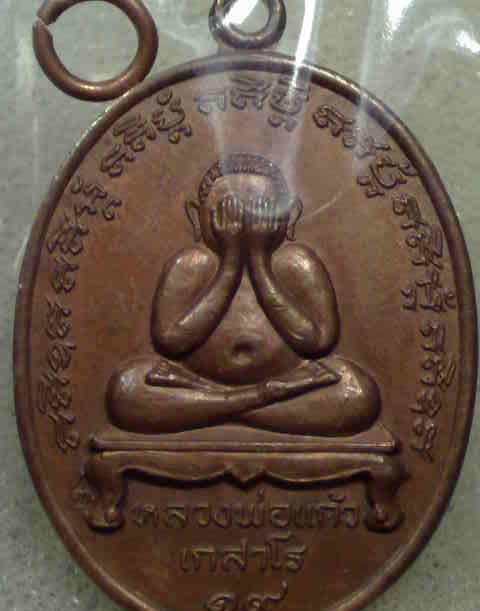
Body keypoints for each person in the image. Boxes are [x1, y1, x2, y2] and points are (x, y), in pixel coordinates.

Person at [107, 153, 380, 437]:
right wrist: (231, 262)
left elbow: (318, 342)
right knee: (127, 388)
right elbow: (170, 342)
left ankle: (220, 408)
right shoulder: (191, 264)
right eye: (228, 212)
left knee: (357, 392)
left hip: (276, 381)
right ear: (196, 216)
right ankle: (256, 402)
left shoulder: (296, 262)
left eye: (261, 210)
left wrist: (259, 261)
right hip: (207, 382)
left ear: (290, 216)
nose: (243, 225)